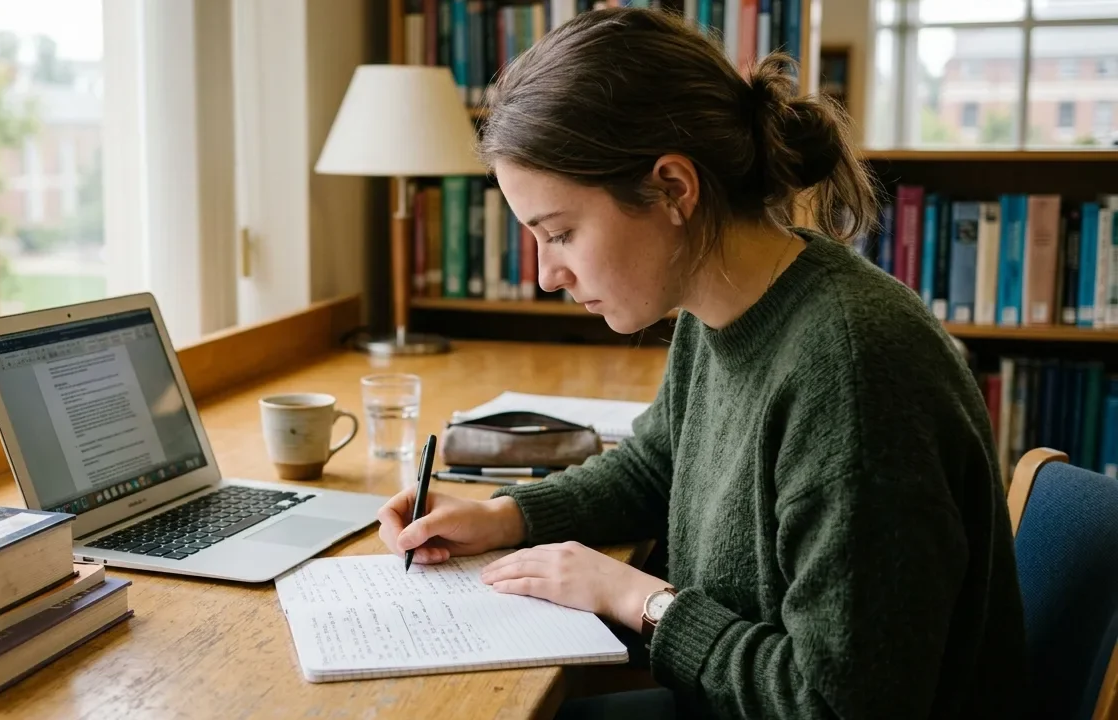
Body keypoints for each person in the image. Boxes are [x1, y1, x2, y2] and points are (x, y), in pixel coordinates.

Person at [376, 7, 1027, 720]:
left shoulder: (852, 369)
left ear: (673, 189)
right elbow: (658, 465)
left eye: (559, 233)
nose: (545, 276)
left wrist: (638, 599)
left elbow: (839, 704)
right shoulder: (721, 308)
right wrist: (505, 516)